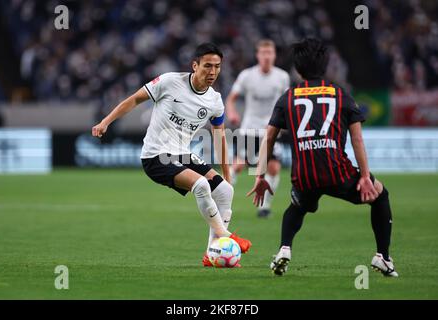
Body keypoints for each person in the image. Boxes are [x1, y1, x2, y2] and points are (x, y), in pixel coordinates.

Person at [247, 38, 397, 277]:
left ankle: (284, 248)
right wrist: (365, 176)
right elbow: (357, 140)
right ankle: (383, 258)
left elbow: (269, 138)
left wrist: (260, 175)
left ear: (298, 69)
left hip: (305, 175)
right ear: (326, 65)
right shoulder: (341, 95)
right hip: (338, 171)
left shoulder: (288, 97)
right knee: (381, 196)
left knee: (297, 207)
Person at [92, 43, 252, 267]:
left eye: (217, 66)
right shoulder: (169, 82)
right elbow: (134, 99)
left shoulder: (215, 100)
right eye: (207, 66)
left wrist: (227, 174)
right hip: (155, 156)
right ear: (194, 65)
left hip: (181, 154)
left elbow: (220, 137)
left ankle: (211, 254)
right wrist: (105, 122)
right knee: (201, 186)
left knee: (225, 190)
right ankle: (226, 236)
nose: (213, 72)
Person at [226, 39, 290, 218]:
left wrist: (284, 121)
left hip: (271, 129)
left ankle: (264, 207)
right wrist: (231, 113)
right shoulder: (247, 75)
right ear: (258, 55)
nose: (267, 57)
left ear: (274, 55)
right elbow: (231, 98)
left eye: (270, 53)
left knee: (274, 168)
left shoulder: (282, 77)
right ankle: (222, 201)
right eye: (263, 53)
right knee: (238, 165)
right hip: (249, 128)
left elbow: (286, 102)